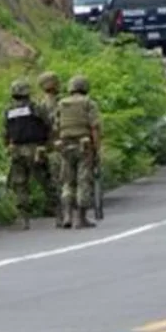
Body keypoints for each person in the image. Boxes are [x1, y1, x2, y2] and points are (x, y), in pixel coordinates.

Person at [3, 79, 53, 231]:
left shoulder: (8, 110)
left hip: (16, 150)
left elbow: (5, 132)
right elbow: (48, 124)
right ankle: (59, 212)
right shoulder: (36, 107)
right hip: (35, 148)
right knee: (46, 181)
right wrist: (47, 144)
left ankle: (23, 218)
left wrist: (8, 146)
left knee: (20, 185)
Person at [55, 75, 103, 228]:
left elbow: (56, 126)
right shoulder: (89, 103)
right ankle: (81, 218)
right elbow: (94, 127)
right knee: (83, 181)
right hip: (84, 146)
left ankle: (67, 216)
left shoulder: (61, 104)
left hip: (65, 146)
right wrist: (97, 148)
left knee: (67, 182)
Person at [36, 71, 65, 228]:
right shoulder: (62, 102)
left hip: (45, 146)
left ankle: (54, 206)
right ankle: (62, 208)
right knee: (60, 177)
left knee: (50, 178)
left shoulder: (38, 104)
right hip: (59, 144)